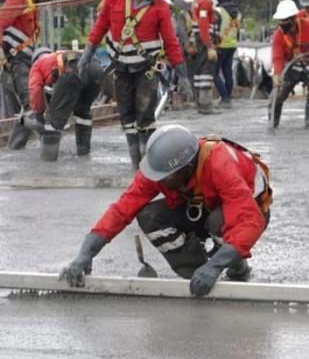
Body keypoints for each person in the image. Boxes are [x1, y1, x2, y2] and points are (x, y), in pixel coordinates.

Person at [59, 125, 271, 297]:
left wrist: (215, 266)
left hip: (248, 211)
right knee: (150, 216)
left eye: (164, 178)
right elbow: (121, 209)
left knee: (219, 221)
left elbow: (248, 221)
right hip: (202, 206)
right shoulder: (160, 170)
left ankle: (236, 266)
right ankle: (196, 274)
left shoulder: (219, 163)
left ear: (187, 168)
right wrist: (85, 254)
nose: (157, 181)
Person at [76, 0, 192, 169]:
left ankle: (147, 166)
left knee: (145, 114)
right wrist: (87, 53)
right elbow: (100, 26)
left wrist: (182, 75)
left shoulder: (160, 8)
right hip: (120, 69)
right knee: (126, 116)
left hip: (145, 70)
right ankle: (136, 166)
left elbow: (171, 42)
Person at [0, 0, 62, 149]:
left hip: (25, 62)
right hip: (16, 62)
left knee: (31, 106)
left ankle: (15, 146)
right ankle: (48, 141)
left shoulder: (33, 8)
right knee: (31, 105)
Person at [25, 48, 103, 161]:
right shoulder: (59, 55)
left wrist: (38, 114)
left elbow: (35, 90)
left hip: (74, 69)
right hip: (97, 69)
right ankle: (83, 154)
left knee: (52, 122)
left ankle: (47, 163)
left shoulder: (37, 65)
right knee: (82, 113)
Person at [269, 0, 309, 129]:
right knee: (276, 97)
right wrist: (277, 75)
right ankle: (273, 124)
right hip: (290, 69)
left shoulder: (308, 25)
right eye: (280, 21)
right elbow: (277, 58)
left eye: (285, 20)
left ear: (293, 18)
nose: (282, 24)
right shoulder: (278, 36)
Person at [188, 0, 220, 114]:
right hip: (203, 39)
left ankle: (200, 103)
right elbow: (203, 24)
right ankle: (206, 104)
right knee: (206, 71)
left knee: (199, 72)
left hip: (198, 38)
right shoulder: (205, 2)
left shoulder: (197, 0)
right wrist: (208, 44)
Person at [213, 0, 242, 109]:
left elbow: (215, 29)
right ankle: (227, 98)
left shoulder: (218, 11)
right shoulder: (238, 13)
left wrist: (213, 44)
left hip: (220, 45)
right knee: (227, 72)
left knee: (214, 73)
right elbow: (238, 30)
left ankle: (224, 97)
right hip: (232, 45)